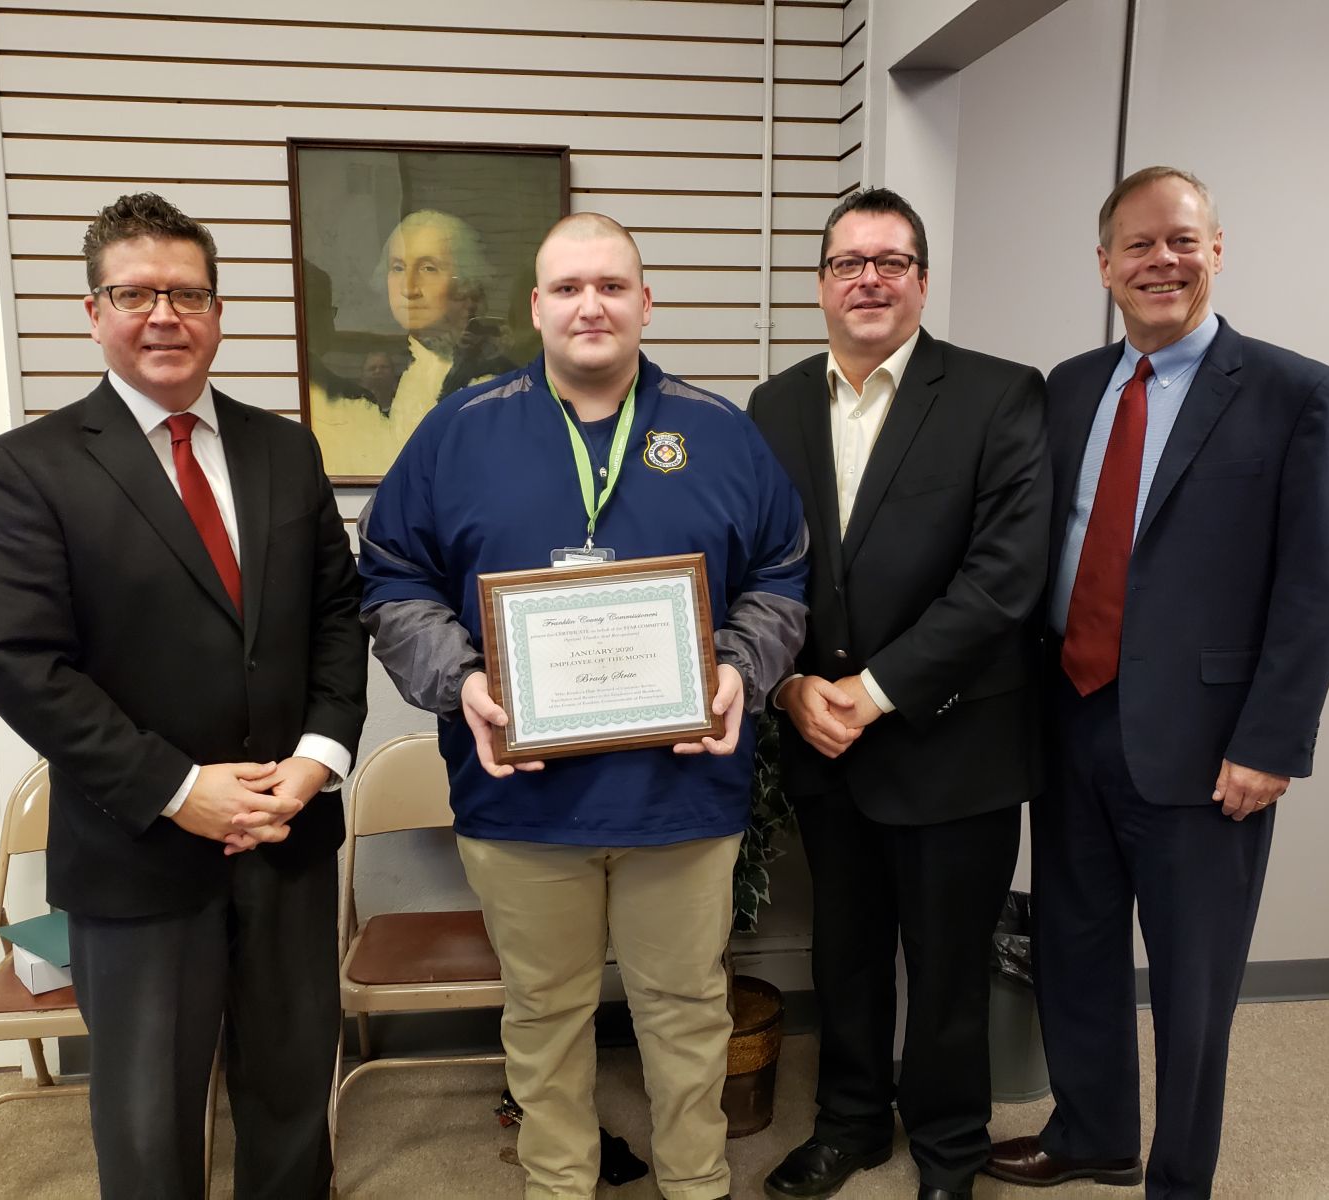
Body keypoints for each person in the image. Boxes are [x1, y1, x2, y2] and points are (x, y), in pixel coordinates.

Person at [356, 212, 808, 1200]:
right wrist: (464, 682)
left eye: (611, 285)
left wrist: (738, 669)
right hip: (520, 800)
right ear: (536, 308)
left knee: (687, 1012)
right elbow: (391, 578)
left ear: (646, 303)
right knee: (542, 1015)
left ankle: (696, 1185)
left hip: (682, 798)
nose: (590, 305)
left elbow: (782, 574)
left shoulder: (722, 434)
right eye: (567, 288)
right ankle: (556, 1187)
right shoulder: (458, 433)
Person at [0, 192, 368, 1199]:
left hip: (287, 838)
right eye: (135, 292)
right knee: (147, 1125)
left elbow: (335, 617)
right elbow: (22, 663)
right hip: (136, 851)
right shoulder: (28, 468)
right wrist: (181, 788)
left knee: (288, 1095)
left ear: (218, 313)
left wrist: (318, 760)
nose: (164, 315)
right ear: (94, 311)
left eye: (187, 293)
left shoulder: (286, 450)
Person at [985, 166, 1329, 1199]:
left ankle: (1177, 1178)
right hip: (1069, 720)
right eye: (1139, 246)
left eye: (1182, 241)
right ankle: (1091, 1133)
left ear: (1216, 249)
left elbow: (1316, 587)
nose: (1162, 262)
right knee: (1074, 946)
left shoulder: (1295, 392)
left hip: (1206, 748)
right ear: (1102, 265)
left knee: (1193, 987)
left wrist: (1272, 743)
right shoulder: (1065, 387)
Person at [749, 188, 1052, 1200]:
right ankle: (848, 1126)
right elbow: (762, 569)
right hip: (822, 747)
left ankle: (950, 1150)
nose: (868, 279)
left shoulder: (1000, 395)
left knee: (949, 975)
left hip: (950, 742)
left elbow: (1003, 577)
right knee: (844, 958)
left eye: (891, 260)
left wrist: (871, 692)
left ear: (922, 280)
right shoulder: (774, 405)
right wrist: (790, 686)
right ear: (821, 284)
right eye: (847, 262)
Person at [310, 209, 511, 476]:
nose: (409, 288)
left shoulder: (493, 381)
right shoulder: (399, 372)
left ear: (466, 282)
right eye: (398, 268)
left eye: (429, 268)